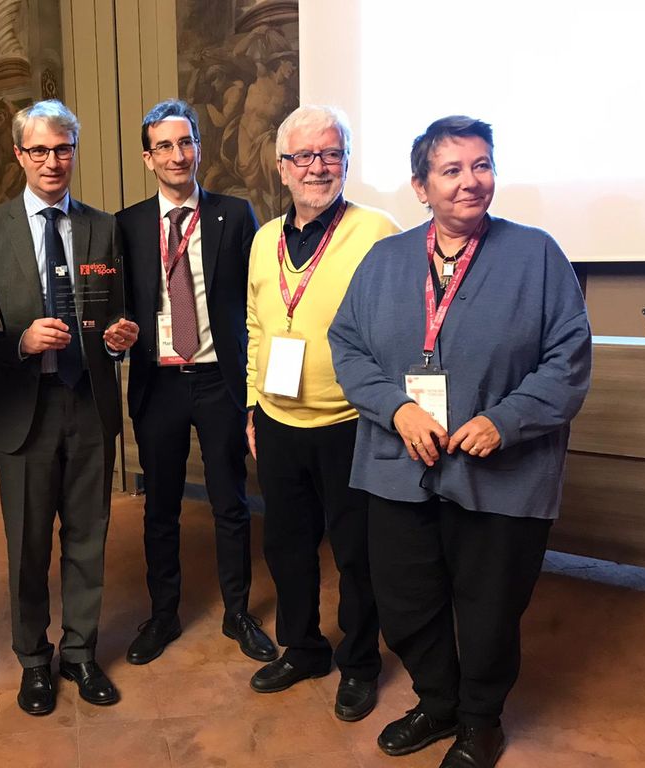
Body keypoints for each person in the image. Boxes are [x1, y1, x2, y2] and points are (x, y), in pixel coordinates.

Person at [328, 116, 591, 768]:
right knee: (405, 601)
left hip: (502, 474)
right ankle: (437, 701)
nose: (471, 181)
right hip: (399, 466)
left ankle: (479, 722)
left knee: (489, 608)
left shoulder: (537, 256)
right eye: (452, 170)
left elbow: (568, 359)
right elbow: (348, 346)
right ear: (421, 187)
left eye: (482, 165)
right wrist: (396, 409)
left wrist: (508, 419)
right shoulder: (385, 260)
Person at [0, 99, 138, 716]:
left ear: (74, 152)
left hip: (89, 404)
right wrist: (18, 341)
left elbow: (117, 308)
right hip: (23, 409)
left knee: (89, 537)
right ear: (19, 155)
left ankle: (80, 653)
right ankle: (34, 660)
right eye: (39, 150)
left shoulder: (102, 227)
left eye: (62, 149)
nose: (52, 161)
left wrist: (119, 335)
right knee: (28, 545)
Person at [245, 105, 400, 722]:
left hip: (351, 425)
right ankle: (304, 648)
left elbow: (401, 329)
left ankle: (360, 663)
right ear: (282, 167)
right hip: (277, 421)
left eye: (330, 154)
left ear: (346, 162)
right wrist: (253, 405)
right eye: (304, 156)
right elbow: (257, 325)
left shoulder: (378, 231)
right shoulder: (263, 239)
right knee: (286, 546)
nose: (317, 167)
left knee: (358, 554)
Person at [116, 99, 276, 665]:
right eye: (164, 146)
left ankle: (237, 612)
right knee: (160, 506)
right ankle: (163, 615)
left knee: (231, 502)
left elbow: (257, 300)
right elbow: (120, 303)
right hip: (158, 382)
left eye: (186, 142)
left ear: (199, 149)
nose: (177, 155)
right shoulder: (128, 225)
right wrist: (117, 332)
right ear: (148, 158)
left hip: (218, 380)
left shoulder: (235, 214)